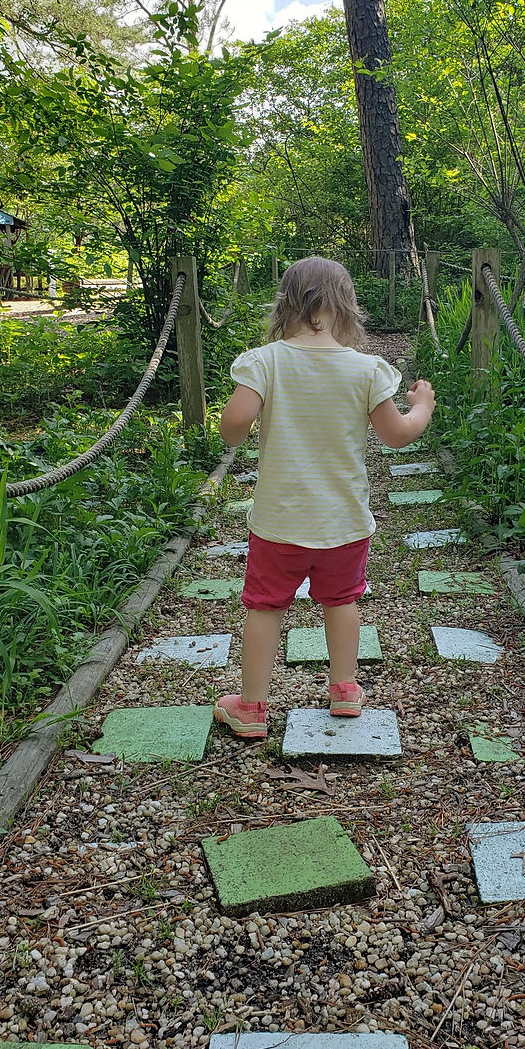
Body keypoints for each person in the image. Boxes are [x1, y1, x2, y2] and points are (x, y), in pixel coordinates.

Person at [212, 256, 436, 739]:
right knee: (341, 601)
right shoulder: (366, 370)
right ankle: (344, 690)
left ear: (285, 304)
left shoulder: (265, 361)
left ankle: (251, 707)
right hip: (343, 521)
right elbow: (397, 436)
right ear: (346, 306)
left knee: (265, 606)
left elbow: (232, 429)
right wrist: (421, 406)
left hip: (279, 521)